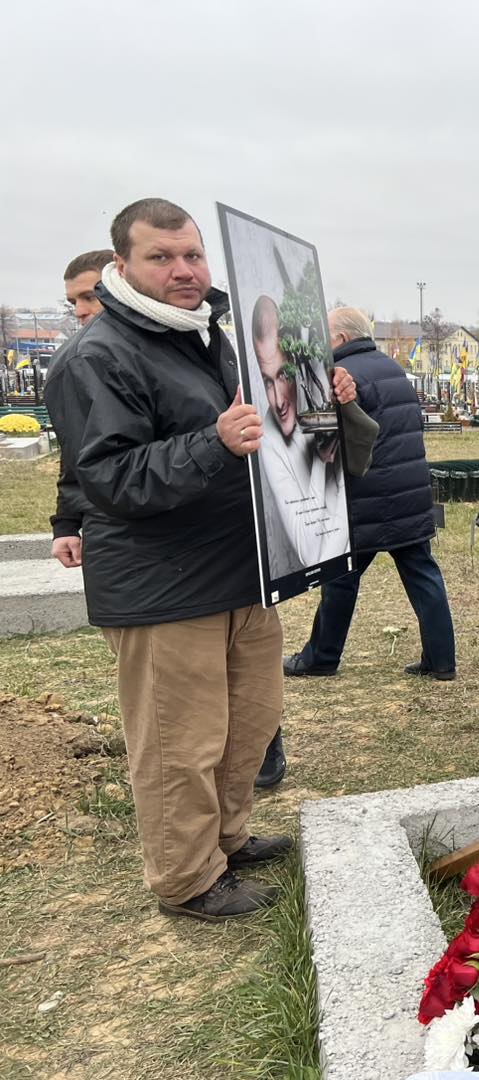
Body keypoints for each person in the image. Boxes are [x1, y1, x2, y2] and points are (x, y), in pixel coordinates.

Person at [49, 197, 357, 921]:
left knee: (247, 722)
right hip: (164, 585)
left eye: (192, 255)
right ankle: (186, 879)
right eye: (162, 258)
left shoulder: (205, 337)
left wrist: (322, 395)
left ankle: (227, 839)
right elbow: (110, 479)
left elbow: (265, 428)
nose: (183, 270)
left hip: (239, 571)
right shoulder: (99, 356)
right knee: (177, 744)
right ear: (121, 267)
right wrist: (213, 441)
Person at [284, 307, 456, 680]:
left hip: (363, 498)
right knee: (423, 576)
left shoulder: (341, 377)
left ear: (341, 339)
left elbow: (324, 439)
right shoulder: (393, 369)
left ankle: (321, 658)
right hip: (409, 494)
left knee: (340, 579)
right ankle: (441, 660)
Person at [252, 295, 347, 578]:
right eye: (268, 381)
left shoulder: (324, 399)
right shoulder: (268, 438)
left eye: (283, 375)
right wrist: (322, 465)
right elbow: (314, 557)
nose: (278, 401)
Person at [48, 249, 114, 569]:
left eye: (90, 296)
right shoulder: (75, 362)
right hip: (113, 528)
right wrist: (65, 523)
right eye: (73, 302)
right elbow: (75, 447)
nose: (80, 311)